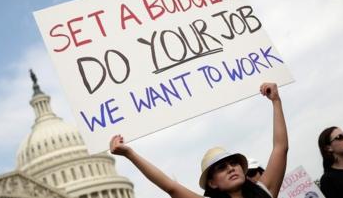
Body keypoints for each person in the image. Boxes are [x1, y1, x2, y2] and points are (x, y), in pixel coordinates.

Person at [110, 83, 288, 198]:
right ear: (212, 183)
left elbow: (280, 147)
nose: (230, 168)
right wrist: (130, 154)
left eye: (233, 163)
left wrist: (276, 101)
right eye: (221, 168)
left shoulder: (265, 192)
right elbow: (170, 187)